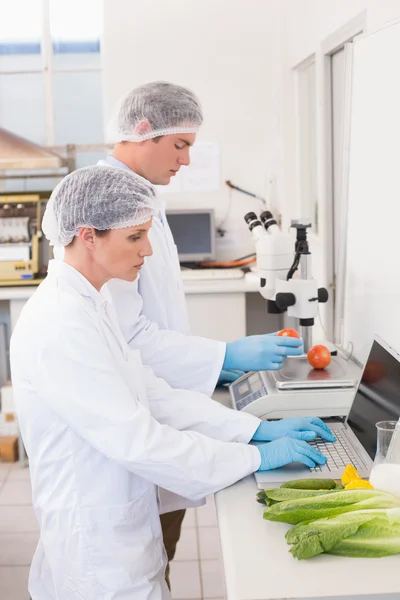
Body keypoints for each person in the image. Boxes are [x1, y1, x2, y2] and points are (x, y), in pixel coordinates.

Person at [11, 166, 333, 599]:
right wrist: (252, 458)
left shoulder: (93, 301)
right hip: (96, 557)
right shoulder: (61, 323)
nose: (147, 250)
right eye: (134, 237)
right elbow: (139, 440)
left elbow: (152, 394)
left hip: (121, 534)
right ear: (87, 236)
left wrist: (252, 430)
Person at [49, 82, 304, 579]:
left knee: (157, 560)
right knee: (146, 558)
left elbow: (145, 378)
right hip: (120, 489)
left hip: (159, 418)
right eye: (181, 144)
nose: (186, 160)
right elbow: (135, 346)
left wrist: (245, 422)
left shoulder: (135, 203)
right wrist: (225, 364)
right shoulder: (108, 217)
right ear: (143, 130)